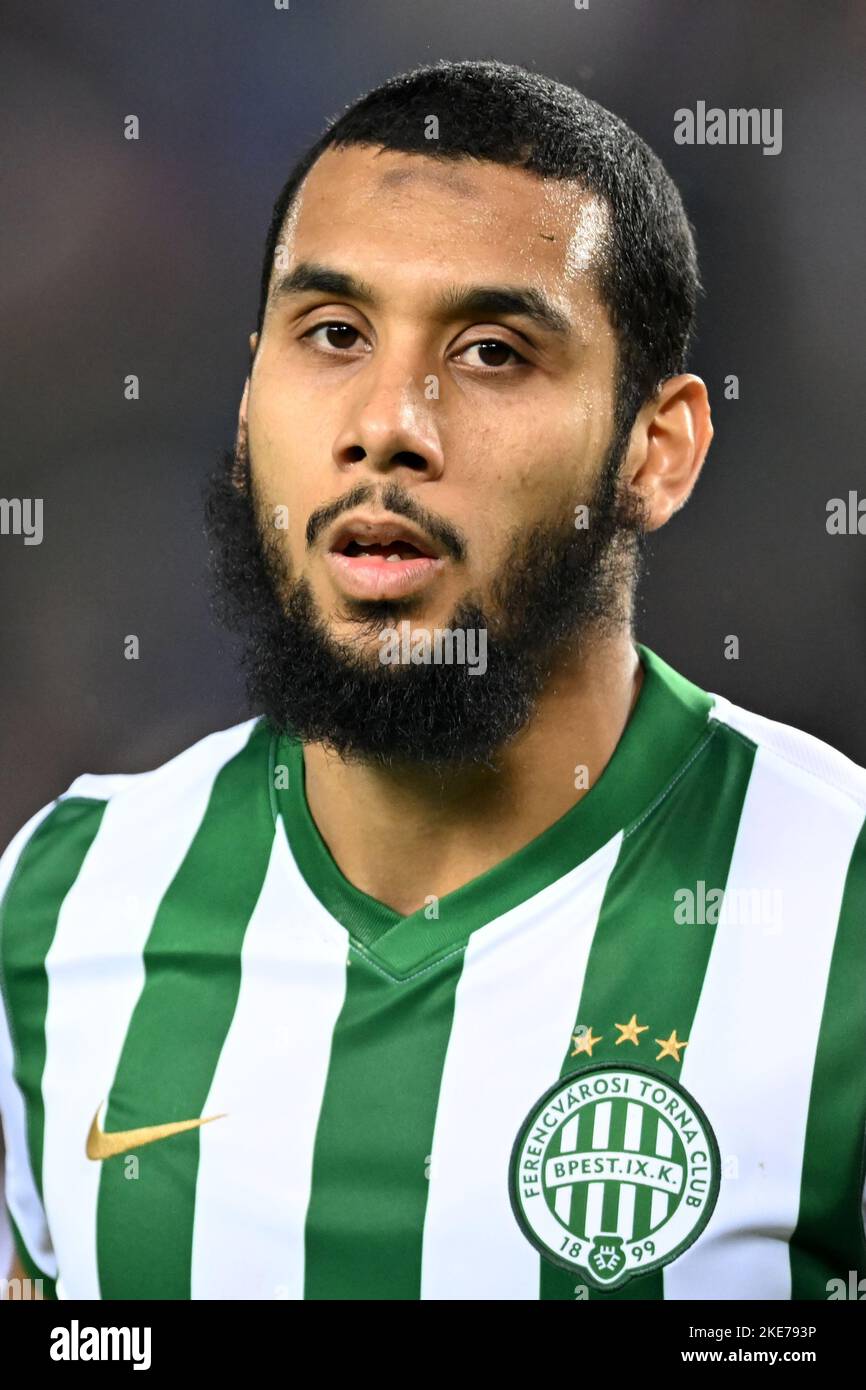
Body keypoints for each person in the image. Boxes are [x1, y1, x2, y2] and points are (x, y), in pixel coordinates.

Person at [1, 60, 864, 1301]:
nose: (387, 420)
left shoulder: (837, 911)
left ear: (655, 450)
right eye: (334, 334)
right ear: (248, 400)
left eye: (494, 351)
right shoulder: (59, 904)